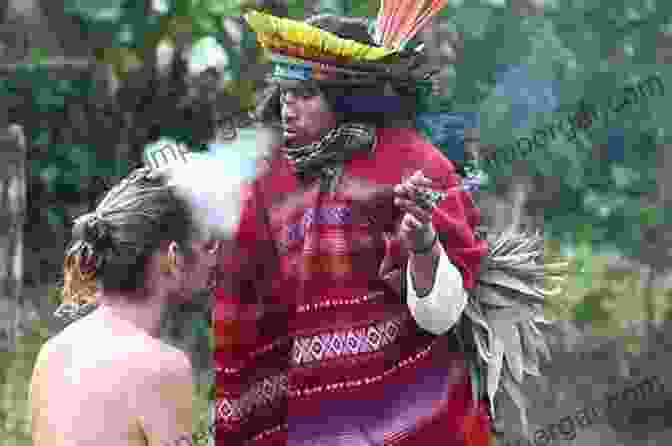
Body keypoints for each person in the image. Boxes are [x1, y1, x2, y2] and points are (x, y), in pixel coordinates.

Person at [213, 10, 494, 446]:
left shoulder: (416, 165)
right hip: (312, 420)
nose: (289, 107)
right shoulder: (272, 178)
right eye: (285, 93)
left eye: (306, 94)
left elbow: (441, 315)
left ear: (347, 96)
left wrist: (424, 248)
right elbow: (249, 303)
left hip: (415, 419)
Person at [30, 165, 220, 446]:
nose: (215, 256)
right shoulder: (163, 367)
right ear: (174, 258)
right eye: (207, 244)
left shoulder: (51, 354)